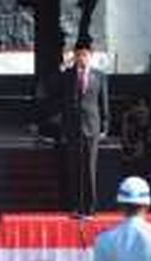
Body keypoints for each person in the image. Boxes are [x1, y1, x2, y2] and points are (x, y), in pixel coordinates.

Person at [60, 38, 110, 216]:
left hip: (92, 127)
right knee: (74, 168)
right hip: (73, 127)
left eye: (85, 55)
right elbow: (63, 103)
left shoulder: (99, 76)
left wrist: (105, 125)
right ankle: (75, 206)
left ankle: (90, 207)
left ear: (91, 56)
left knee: (90, 168)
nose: (81, 58)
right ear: (74, 56)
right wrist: (63, 128)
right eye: (78, 55)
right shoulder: (67, 75)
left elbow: (103, 102)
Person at [121, 96, 151, 184]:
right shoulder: (131, 128)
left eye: (144, 106)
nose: (140, 110)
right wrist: (124, 122)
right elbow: (126, 146)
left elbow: (142, 153)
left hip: (149, 172)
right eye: (138, 106)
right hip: (132, 173)